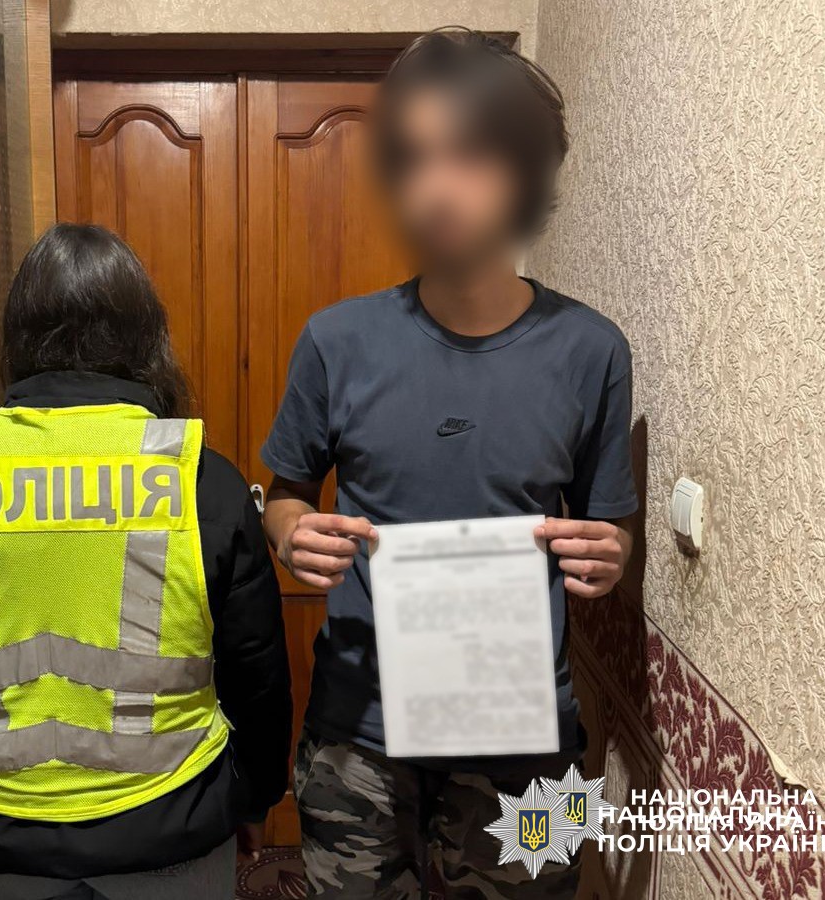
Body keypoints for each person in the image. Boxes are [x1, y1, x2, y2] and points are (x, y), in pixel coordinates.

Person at [260, 28, 637, 899]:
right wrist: (290, 535)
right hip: (359, 733)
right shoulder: (336, 340)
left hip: (530, 738)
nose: (436, 186)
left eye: (468, 156)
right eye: (417, 157)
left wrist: (611, 556)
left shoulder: (593, 351)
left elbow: (608, 530)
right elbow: (284, 496)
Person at [0, 223, 292, 900]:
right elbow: (257, 678)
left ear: (16, 337)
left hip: (2, 833)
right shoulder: (198, 479)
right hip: (171, 824)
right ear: (146, 338)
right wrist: (253, 801)